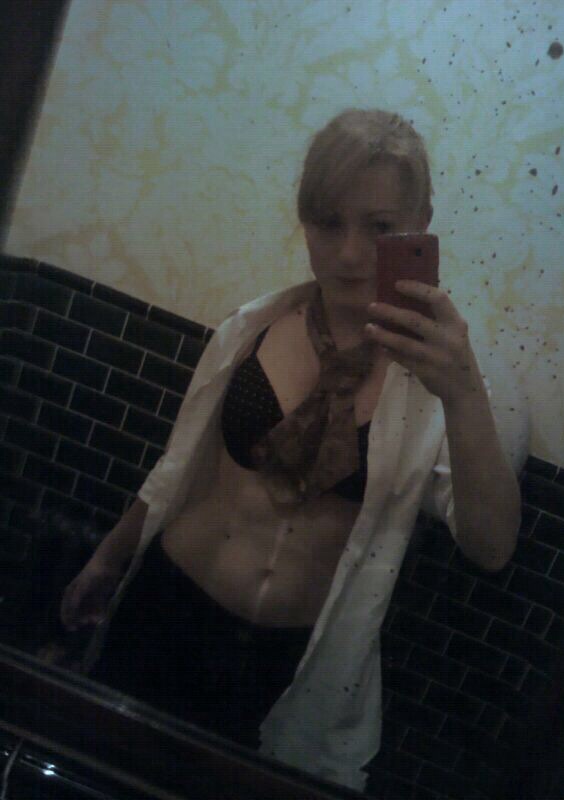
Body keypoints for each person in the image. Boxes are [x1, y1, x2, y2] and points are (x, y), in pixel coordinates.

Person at [60, 108, 521, 792]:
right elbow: (181, 465)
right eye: (328, 222)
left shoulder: (446, 381)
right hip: (166, 606)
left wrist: (461, 393)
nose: (349, 254)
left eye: (380, 227)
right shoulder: (253, 328)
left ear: (420, 224)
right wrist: (109, 555)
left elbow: (490, 547)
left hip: (289, 665)